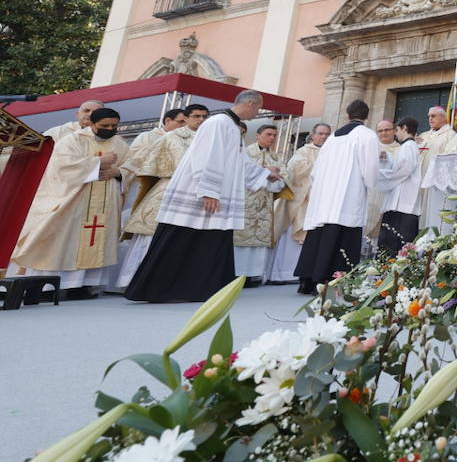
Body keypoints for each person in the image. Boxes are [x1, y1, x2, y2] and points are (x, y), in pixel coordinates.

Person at [125, 91, 284, 303]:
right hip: (200, 195)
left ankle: (199, 289)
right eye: (257, 108)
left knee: (210, 240)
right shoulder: (219, 123)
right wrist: (208, 190)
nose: (257, 113)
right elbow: (206, 156)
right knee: (182, 239)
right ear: (250, 103)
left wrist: (266, 174)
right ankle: (159, 289)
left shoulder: (230, 126)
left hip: (216, 195)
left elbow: (237, 161)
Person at [10, 107, 130, 296]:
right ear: (91, 124)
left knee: (95, 241)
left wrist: (119, 173)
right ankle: (49, 287)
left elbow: (130, 168)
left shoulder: (120, 144)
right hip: (74, 201)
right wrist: (97, 162)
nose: (110, 128)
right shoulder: (72, 140)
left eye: (114, 125)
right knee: (63, 242)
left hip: (104, 204)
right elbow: (60, 167)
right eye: (105, 125)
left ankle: (83, 287)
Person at [115, 104, 208, 289]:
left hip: (197, 193)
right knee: (152, 233)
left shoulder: (209, 140)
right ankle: (135, 280)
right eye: (196, 116)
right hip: (169, 188)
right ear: (187, 118)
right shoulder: (172, 137)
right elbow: (151, 165)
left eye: (204, 117)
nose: (201, 120)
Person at [296, 99, 380, 294]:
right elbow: (370, 169)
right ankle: (330, 280)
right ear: (367, 116)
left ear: (347, 114)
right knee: (341, 235)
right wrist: (372, 184)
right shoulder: (366, 135)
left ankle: (307, 279)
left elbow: (316, 171)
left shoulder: (332, 137)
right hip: (346, 195)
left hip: (324, 196)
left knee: (317, 236)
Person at [264, 122, 330, 284]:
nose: (323, 137)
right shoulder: (304, 151)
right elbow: (295, 170)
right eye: (320, 133)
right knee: (293, 237)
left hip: (321, 202)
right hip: (303, 199)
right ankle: (283, 273)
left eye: (327, 134)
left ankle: (302, 273)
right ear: (312, 135)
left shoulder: (332, 152)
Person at [232, 124, 284, 285]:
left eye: (274, 135)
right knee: (242, 239)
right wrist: (264, 172)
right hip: (246, 200)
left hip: (264, 203)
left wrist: (275, 178)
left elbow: (284, 177)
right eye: (268, 134)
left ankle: (252, 274)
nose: (272, 138)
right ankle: (236, 274)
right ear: (258, 135)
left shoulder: (275, 157)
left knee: (258, 239)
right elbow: (238, 172)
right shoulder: (246, 152)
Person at [376, 116, 422, 256]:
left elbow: (404, 168)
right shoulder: (408, 146)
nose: (396, 133)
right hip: (399, 198)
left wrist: (385, 175)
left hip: (403, 200)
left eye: (397, 130)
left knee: (398, 239)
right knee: (392, 237)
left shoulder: (408, 146)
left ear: (404, 128)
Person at [366, 119, 402, 251]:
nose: (383, 133)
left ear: (394, 131)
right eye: (380, 131)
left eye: (387, 130)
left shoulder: (401, 149)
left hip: (389, 196)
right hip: (370, 196)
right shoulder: (371, 148)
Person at [417, 106, 457, 216]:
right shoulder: (423, 135)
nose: (430, 118)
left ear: (443, 118)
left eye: (433, 116)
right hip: (419, 178)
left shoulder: (451, 135)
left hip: (435, 180)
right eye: (429, 116)